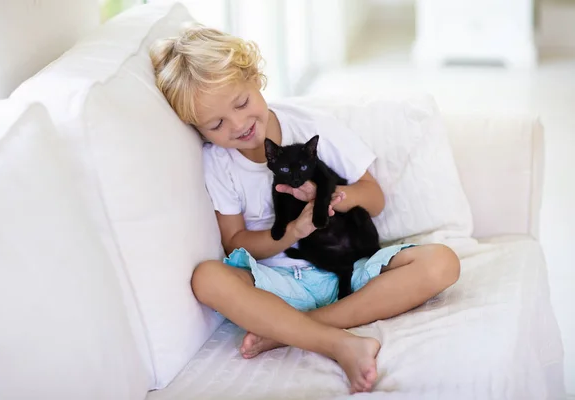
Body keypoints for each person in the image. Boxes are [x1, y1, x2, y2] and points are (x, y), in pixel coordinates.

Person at [150, 25, 460, 394]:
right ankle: (337, 342)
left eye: (241, 103)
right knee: (207, 278)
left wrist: (337, 198)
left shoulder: (313, 127)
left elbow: (373, 197)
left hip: (350, 267)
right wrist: (294, 231)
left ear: (256, 80)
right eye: (216, 124)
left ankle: (292, 330)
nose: (239, 125)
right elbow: (236, 243)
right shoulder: (218, 163)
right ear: (198, 129)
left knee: (442, 262)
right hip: (280, 286)